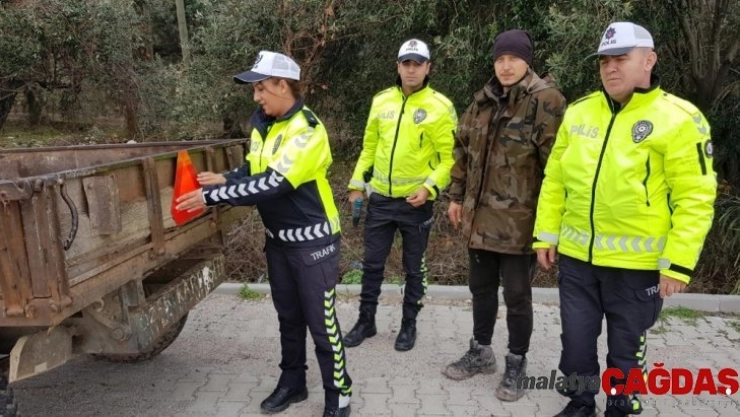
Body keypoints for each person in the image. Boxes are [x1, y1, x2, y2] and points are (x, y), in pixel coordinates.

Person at [532, 22, 717, 417]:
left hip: (637, 267)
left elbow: (695, 197)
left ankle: (621, 404)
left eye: (620, 58)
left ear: (649, 61)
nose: (610, 68)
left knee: (625, 348)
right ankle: (581, 402)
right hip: (578, 260)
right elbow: (555, 180)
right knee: (576, 343)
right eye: (604, 61)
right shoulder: (580, 112)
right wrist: (545, 235)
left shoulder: (680, 118)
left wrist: (678, 263)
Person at [176, 51, 352, 417]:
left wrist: (211, 196)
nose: (256, 97)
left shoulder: (306, 130)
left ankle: (339, 394)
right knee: (288, 318)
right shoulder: (265, 125)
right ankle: (293, 383)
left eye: (261, 88)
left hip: (313, 242)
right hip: (279, 241)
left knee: (322, 323)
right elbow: (255, 170)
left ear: (282, 86)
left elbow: (273, 183)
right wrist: (227, 178)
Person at [441, 29, 566, 402]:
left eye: (514, 58)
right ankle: (481, 351)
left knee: (516, 296)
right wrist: (456, 196)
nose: (506, 66)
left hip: (519, 224)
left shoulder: (546, 100)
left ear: (527, 61)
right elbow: (462, 150)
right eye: (500, 59)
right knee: (480, 289)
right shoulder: (483, 100)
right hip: (479, 221)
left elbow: (558, 170)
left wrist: (549, 228)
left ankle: (516, 361)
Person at [342, 38, 457, 352]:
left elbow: (450, 158)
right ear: (398, 66)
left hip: (415, 204)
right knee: (372, 265)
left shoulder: (440, 106)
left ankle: (409, 325)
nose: (411, 69)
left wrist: (429, 187)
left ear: (428, 68)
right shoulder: (381, 101)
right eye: (406, 63)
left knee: (413, 268)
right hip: (380, 200)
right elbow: (369, 149)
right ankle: (366, 321)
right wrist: (356, 185)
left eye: (417, 64)